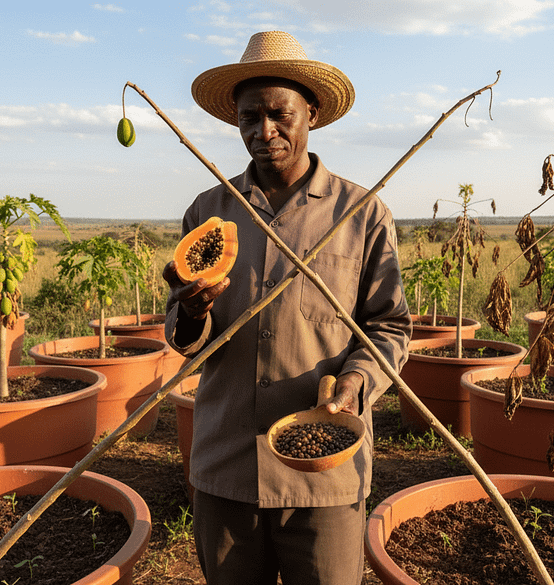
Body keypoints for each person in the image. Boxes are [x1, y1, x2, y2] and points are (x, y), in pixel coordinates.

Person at [163, 30, 411, 585]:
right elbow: (182, 337)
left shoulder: (362, 213)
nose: (263, 131)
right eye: (250, 118)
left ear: (312, 114)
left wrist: (355, 384)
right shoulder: (209, 211)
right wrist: (191, 312)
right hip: (228, 464)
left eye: (280, 115)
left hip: (325, 469)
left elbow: (389, 328)